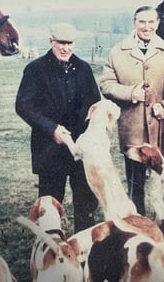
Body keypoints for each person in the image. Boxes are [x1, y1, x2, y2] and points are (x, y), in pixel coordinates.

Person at [15, 22, 100, 232]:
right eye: (61, 43)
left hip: (80, 149)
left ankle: (83, 252)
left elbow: (93, 104)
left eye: (69, 43)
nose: (65, 48)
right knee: (50, 207)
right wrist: (51, 128)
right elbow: (23, 105)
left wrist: (87, 135)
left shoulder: (83, 69)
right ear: (50, 41)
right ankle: (50, 253)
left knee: (85, 203)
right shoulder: (35, 69)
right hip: (49, 148)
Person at [99, 6, 164, 215]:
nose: (147, 27)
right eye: (142, 22)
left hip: (161, 130)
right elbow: (106, 84)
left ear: (158, 23)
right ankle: (139, 227)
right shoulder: (117, 52)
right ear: (134, 22)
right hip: (132, 131)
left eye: (151, 22)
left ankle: (163, 229)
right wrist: (130, 93)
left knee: (162, 182)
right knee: (135, 186)